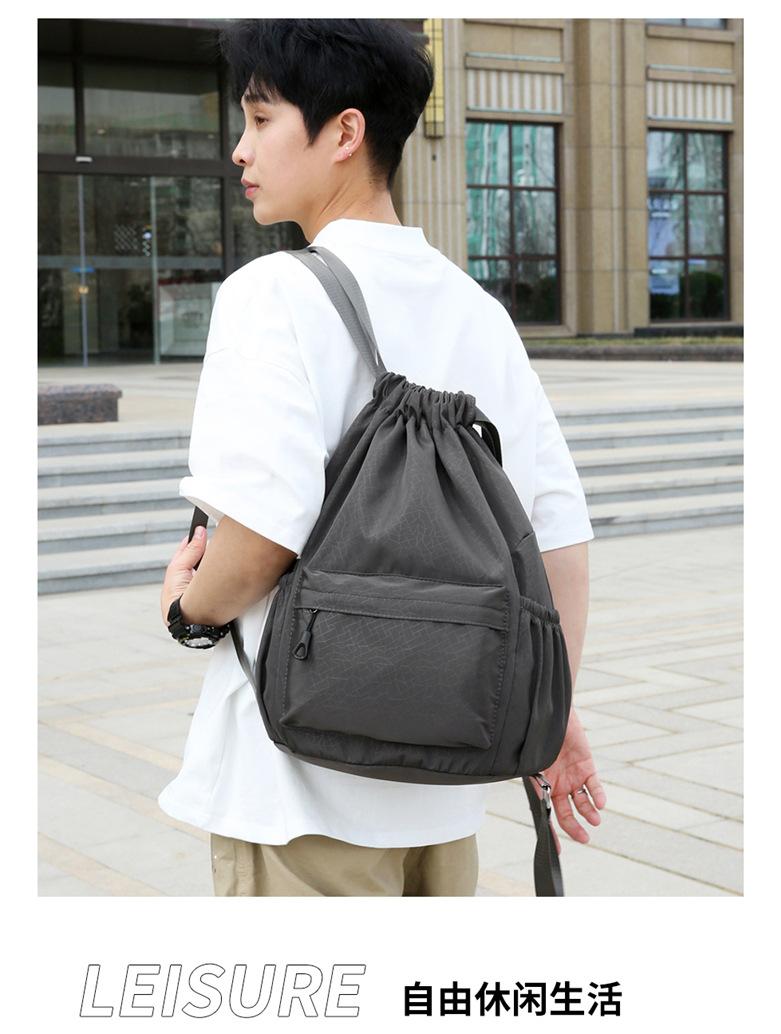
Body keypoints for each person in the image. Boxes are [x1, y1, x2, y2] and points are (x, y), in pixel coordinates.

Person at [157, 18, 606, 897]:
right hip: (444, 802)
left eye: (261, 119)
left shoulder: (271, 293)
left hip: (297, 796)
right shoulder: (479, 312)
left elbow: (259, 541)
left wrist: (186, 608)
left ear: (345, 132)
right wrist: (548, 714)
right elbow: (558, 538)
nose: (240, 148)